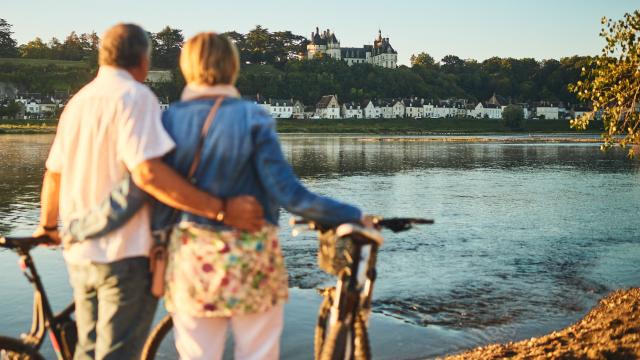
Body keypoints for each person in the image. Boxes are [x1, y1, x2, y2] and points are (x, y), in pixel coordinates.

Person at [66, 32, 375, 360]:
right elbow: (291, 195)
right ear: (233, 67)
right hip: (252, 258)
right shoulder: (254, 117)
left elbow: (139, 189)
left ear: (186, 68)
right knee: (258, 353)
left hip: (192, 260)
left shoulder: (166, 120)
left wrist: (81, 228)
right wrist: (352, 214)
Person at [32, 24, 264, 360]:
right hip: (124, 253)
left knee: (87, 351)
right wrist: (223, 210)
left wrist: (49, 226)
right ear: (143, 60)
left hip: (79, 251)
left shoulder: (77, 103)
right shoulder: (136, 97)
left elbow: (54, 174)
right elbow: (149, 174)